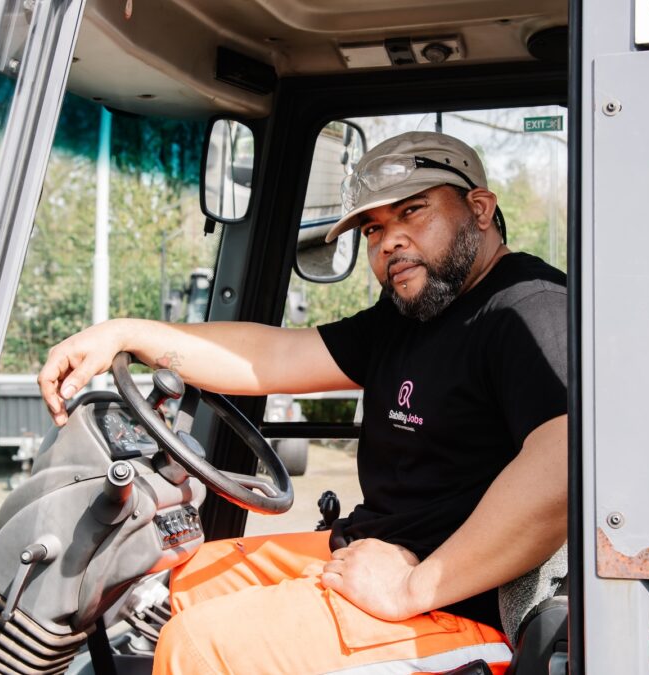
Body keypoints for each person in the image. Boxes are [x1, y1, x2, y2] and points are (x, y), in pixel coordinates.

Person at [39, 131, 568, 674]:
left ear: (480, 209)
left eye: (413, 211)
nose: (389, 242)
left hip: (459, 603)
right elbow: (275, 358)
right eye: (374, 228)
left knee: (198, 647)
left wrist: (413, 586)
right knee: (186, 581)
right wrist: (127, 334)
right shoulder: (413, 314)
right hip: (373, 554)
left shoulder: (529, 308)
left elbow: (562, 465)